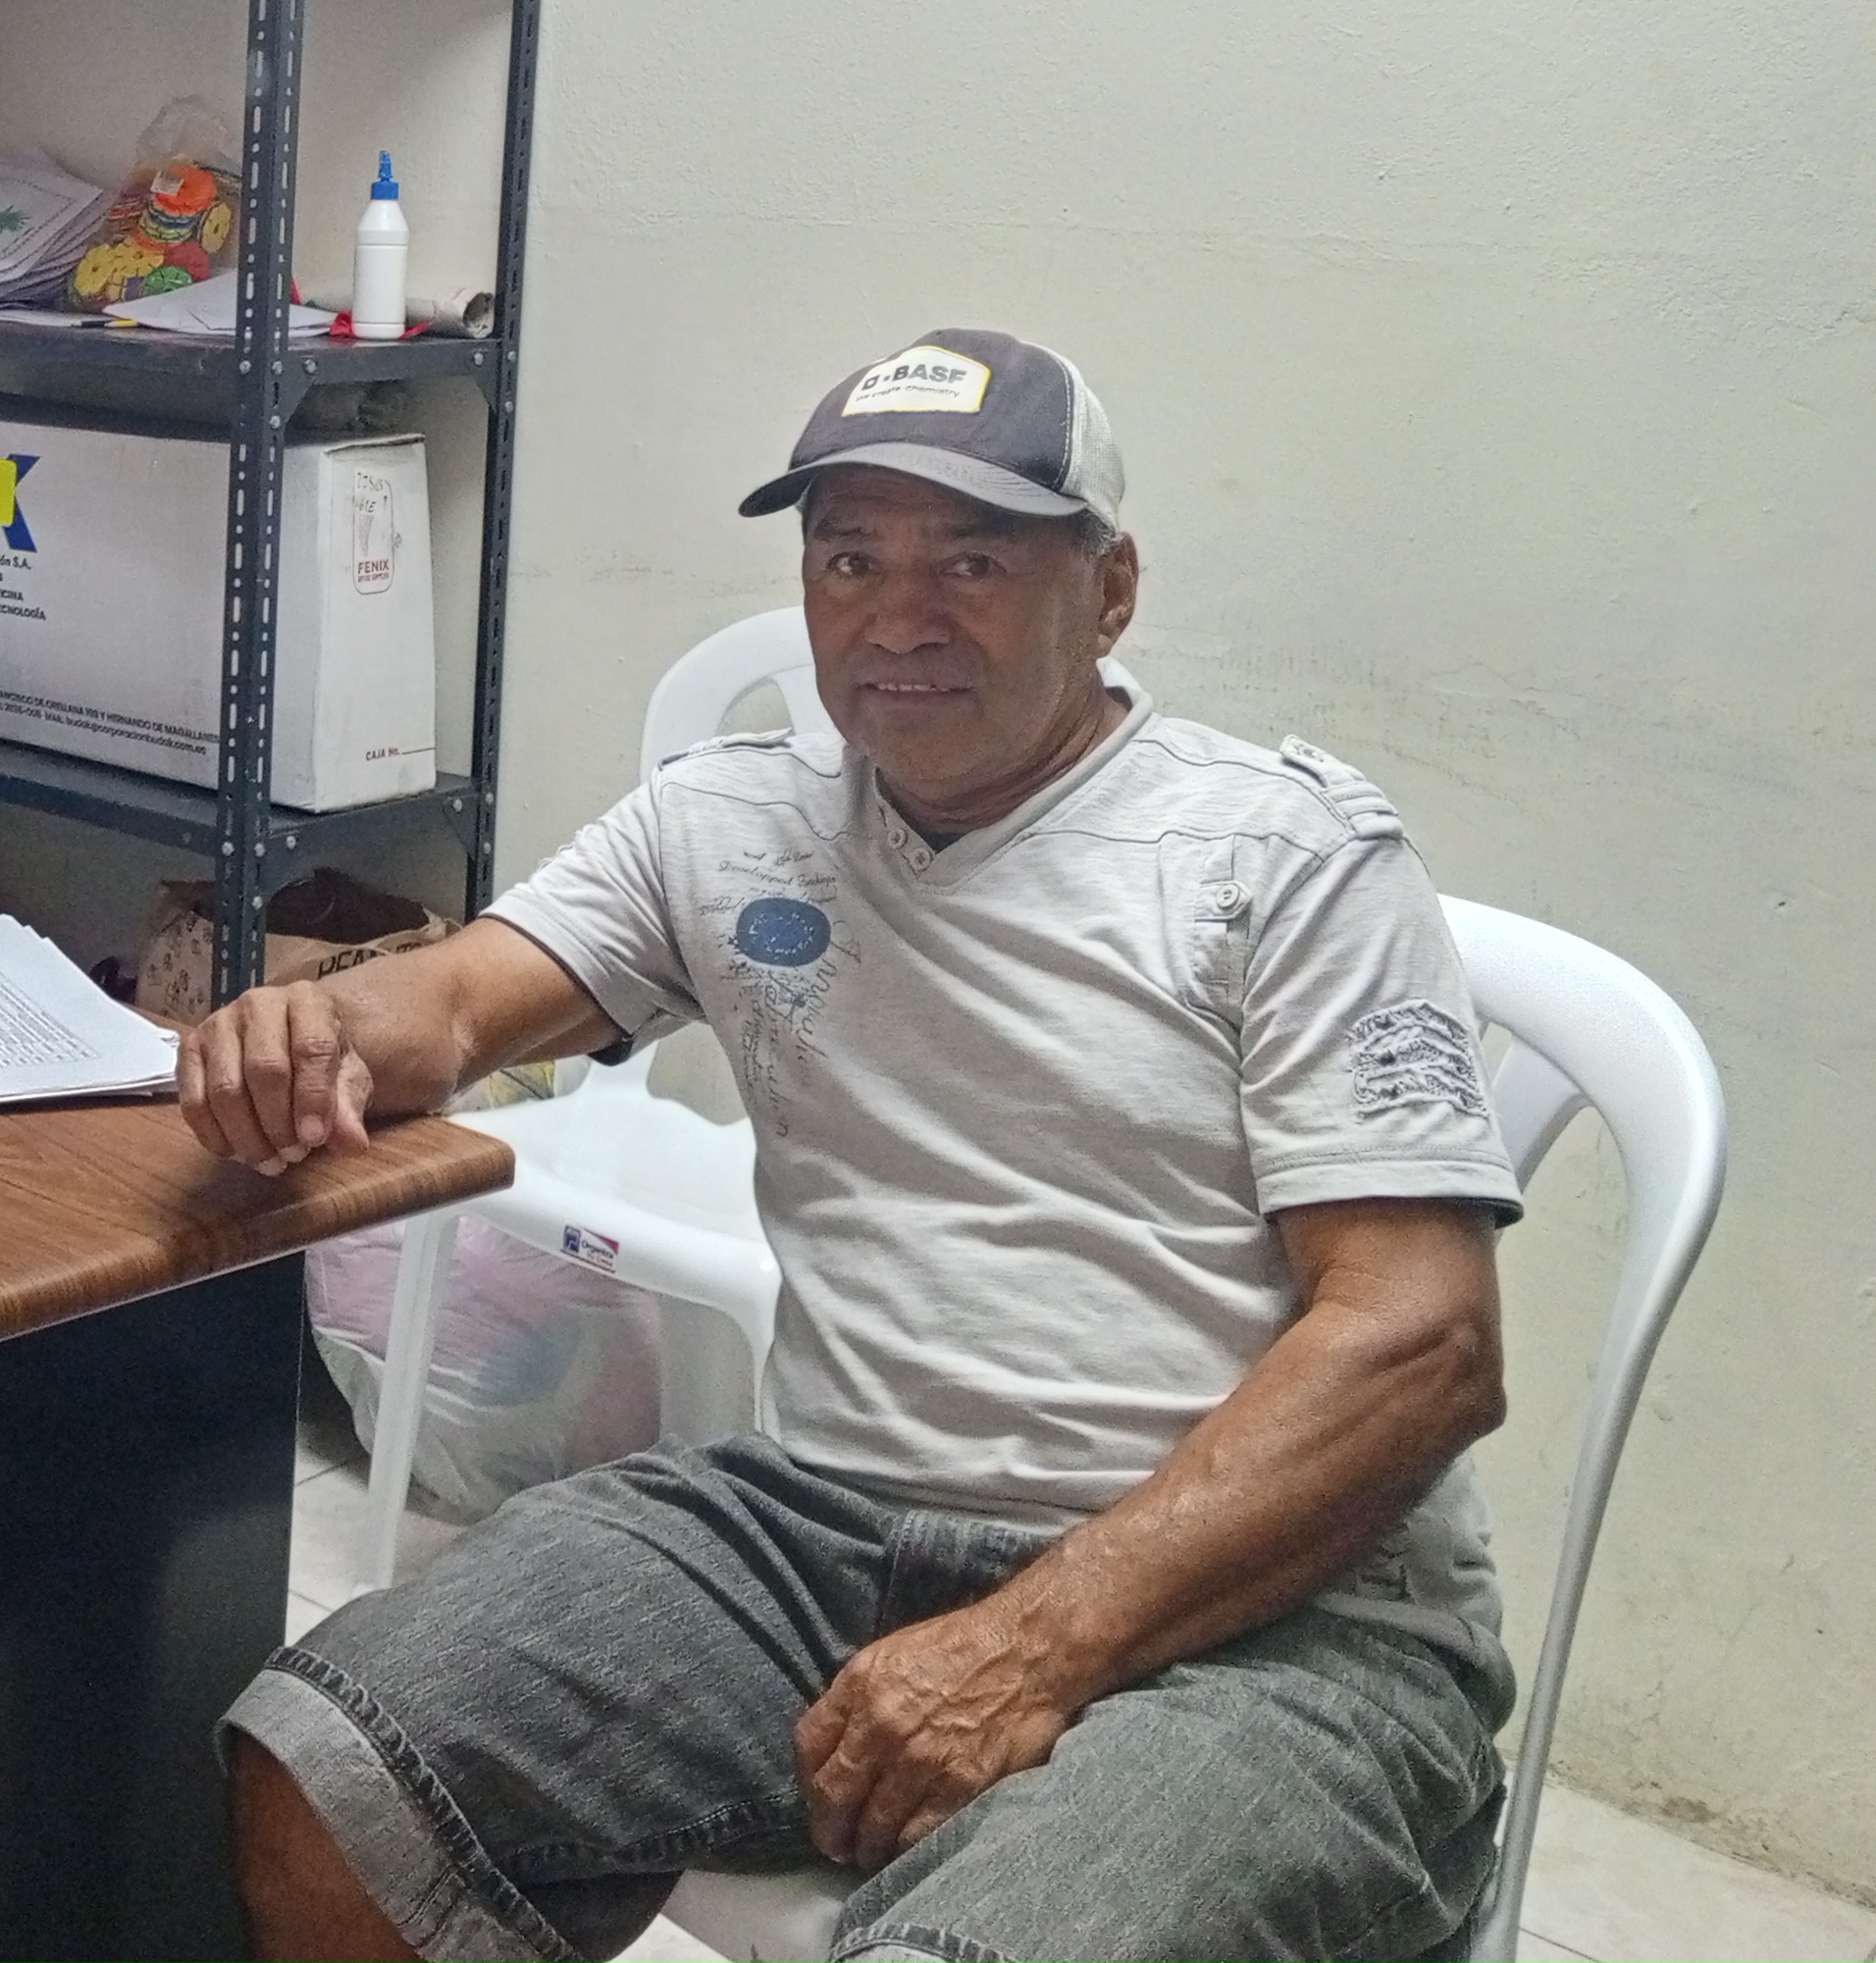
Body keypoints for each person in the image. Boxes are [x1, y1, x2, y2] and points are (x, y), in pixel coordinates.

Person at [183, 329, 1522, 1963]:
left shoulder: (1280, 858)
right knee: (327, 1769)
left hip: (1277, 1617)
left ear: (1107, 590)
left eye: (972, 560)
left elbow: (1421, 1341)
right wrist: (317, 1028)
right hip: (824, 1526)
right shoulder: (728, 819)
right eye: (847, 559)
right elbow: (456, 1003)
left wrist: (1033, 1642)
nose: (896, 617)